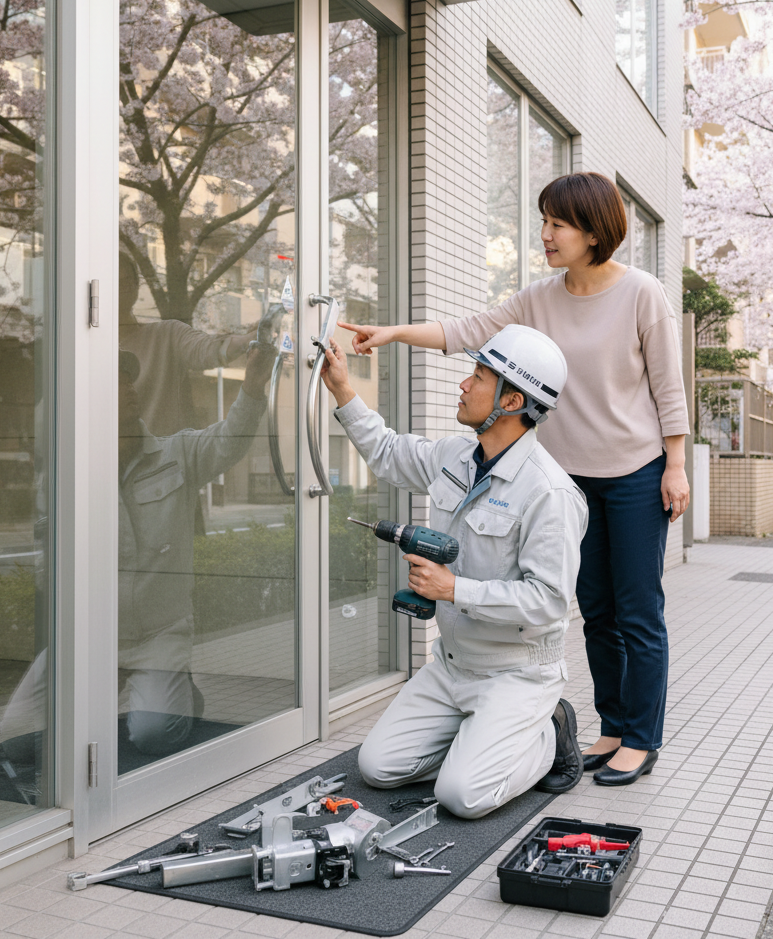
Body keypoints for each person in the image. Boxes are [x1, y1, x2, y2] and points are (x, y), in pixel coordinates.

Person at [340, 172, 690, 786]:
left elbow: (668, 385)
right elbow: (465, 333)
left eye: (558, 223)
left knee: (638, 610)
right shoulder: (538, 298)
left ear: (594, 231)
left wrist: (676, 465)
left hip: (635, 472)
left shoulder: (642, 293)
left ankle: (641, 737)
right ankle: (609, 726)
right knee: (595, 608)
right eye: (546, 221)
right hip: (570, 477)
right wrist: (393, 333)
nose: (547, 235)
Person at [321, 324, 589, 819]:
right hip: (450, 665)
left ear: (511, 401)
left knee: (463, 797)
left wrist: (453, 588)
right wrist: (342, 388)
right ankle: (480, 743)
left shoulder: (549, 494)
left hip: (516, 675)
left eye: (479, 377)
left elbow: (549, 601)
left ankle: (550, 734)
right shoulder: (455, 457)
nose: (464, 385)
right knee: (377, 767)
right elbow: (386, 452)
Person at [117, 341, 275, 754]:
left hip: (158, 632)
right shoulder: (71, 470)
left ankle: (175, 687)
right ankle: (158, 688)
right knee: (20, 736)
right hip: (88, 635)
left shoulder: (176, 453)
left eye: (129, 379)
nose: (130, 387)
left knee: (151, 735)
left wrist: (254, 386)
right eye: (117, 381)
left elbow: (229, 440)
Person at [119, 256, 258, 436]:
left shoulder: (167, 335)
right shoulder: (86, 351)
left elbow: (204, 348)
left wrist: (246, 340)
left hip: (166, 461)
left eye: (128, 280)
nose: (123, 286)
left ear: (137, 286)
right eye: (115, 280)